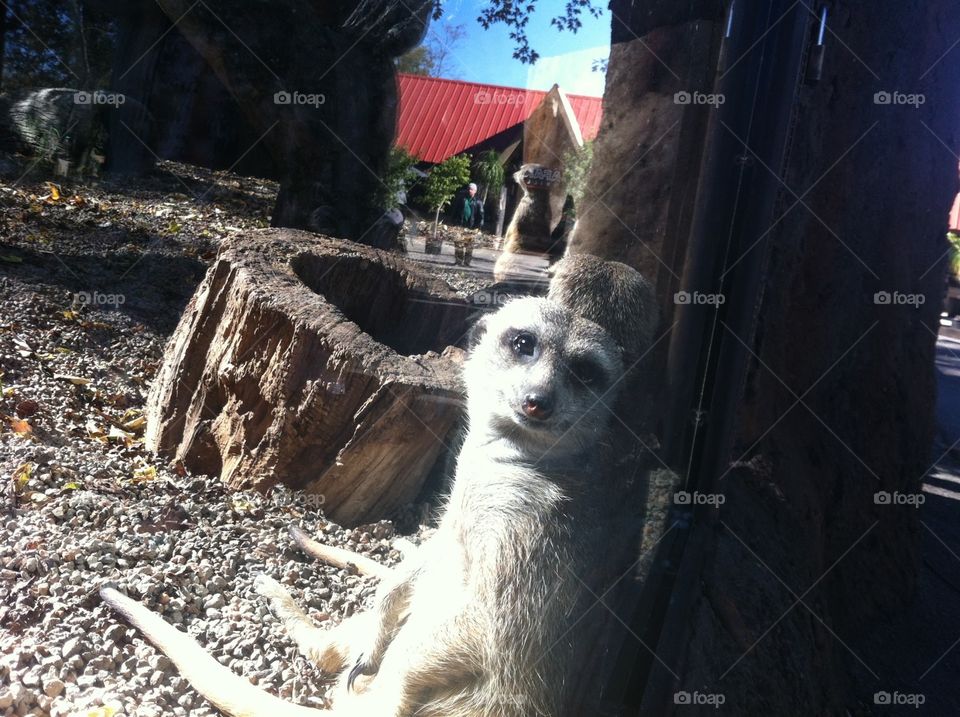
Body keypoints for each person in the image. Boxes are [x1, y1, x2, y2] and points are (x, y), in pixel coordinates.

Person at [452, 182, 484, 266]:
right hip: (460, 225)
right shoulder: (462, 199)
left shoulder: (478, 202)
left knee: (469, 245)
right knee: (459, 244)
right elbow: (455, 210)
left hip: (471, 226)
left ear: (475, 191)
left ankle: (466, 262)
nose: (470, 190)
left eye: (471, 189)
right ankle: (458, 261)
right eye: (469, 189)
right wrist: (453, 221)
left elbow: (481, 216)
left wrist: (479, 227)